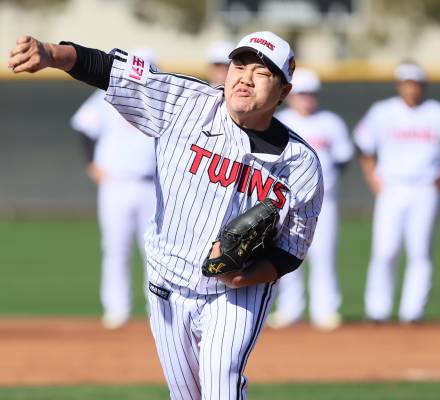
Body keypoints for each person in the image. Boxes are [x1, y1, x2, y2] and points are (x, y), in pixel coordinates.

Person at [9, 31, 323, 399]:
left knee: (222, 379)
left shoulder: (300, 164)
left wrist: (247, 276)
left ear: (284, 91)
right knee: (185, 394)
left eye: (262, 72)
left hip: (237, 291)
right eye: (239, 65)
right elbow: (112, 70)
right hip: (167, 281)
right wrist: (51, 53)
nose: (245, 77)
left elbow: (291, 248)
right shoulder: (185, 103)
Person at [71, 49, 158, 329]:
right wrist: (91, 164)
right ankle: (116, 309)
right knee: (115, 248)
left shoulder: (161, 101)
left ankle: (157, 310)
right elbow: (83, 126)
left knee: (155, 251)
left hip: (152, 186)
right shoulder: (107, 95)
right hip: (116, 184)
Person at [353, 61, 440, 323]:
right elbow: (364, 147)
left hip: (425, 187)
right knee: (385, 250)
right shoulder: (383, 112)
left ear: (423, 86)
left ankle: (412, 312)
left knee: (420, 252)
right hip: (392, 187)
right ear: (399, 85)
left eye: (416, 84)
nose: (412, 89)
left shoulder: (435, 112)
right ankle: (377, 311)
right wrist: (374, 179)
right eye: (407, 83)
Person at [268, 68, 354, 330]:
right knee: (285, 253)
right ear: (291, 95)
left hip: (323, 202)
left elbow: (342, 158)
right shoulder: (280, 121)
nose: (307, 99)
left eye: (312, 94)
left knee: (323, 255)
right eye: (303, 94)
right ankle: (289, 310)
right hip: (287, 201)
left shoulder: (331, 122)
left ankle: (325, 310)